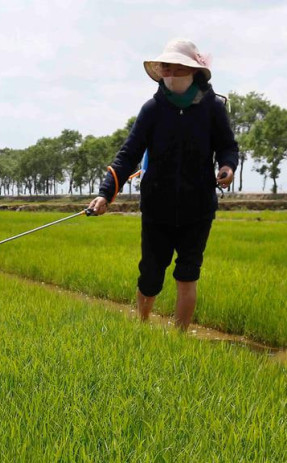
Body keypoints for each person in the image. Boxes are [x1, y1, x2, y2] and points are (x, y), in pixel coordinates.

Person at [88, 39, 238, 330]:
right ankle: (141, 328)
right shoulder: (152, 110)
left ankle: (180, 339)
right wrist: (105, 193)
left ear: (192, 70)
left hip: (198, 207)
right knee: (151, 275)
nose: (167, 70)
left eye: (174, 65)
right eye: (164, 65)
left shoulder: (213, 108)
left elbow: (228, 147)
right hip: (158, 208)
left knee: (187, 273)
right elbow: (128, 155)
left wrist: (227, 167)